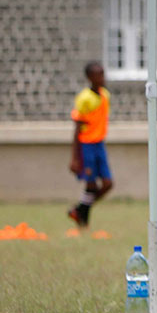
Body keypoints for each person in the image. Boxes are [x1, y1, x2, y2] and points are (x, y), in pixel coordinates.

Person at [68, 61, 112, 229]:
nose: (102, 78)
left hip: (99, 144)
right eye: (98, 74)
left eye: (103, 74)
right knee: (91, 185)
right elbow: (77, 129)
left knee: (107, 184)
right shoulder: (84, 98)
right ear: (89, 77)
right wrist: (75, 158)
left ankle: (79, 210)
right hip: (86, 145)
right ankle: (82, 220)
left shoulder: (105, 95)